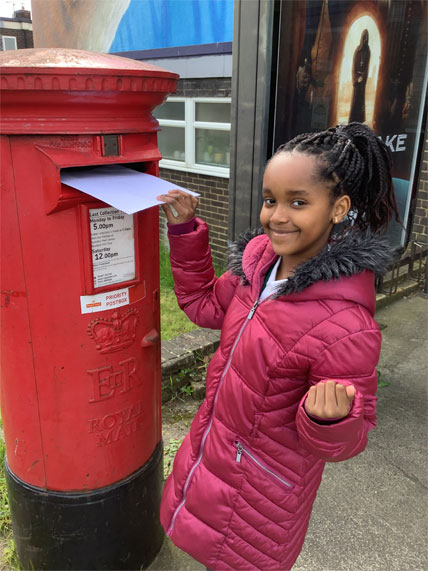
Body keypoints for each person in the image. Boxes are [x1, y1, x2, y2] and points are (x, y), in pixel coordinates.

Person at [157, 123, 400, 571]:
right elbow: (203, 304)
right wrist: (185, 229)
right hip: (209, 458)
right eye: (271, 200)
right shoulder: (257, 270)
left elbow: (349, 440)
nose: (277, 216)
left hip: (261, 501)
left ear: (338, 208)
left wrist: (330, 419)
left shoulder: (346, 325)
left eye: (299, 202)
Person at [349, 29, 371, 123]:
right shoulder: (357, 50)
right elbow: (353, 65)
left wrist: (363, 77)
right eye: (364, 37)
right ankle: (353, 119)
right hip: (357, 79)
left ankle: (360, 120)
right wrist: (357, 78)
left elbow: (367, 66)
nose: (365, 39)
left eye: (366, 37)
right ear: (362, 38)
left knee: (361, 100)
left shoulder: (368, 51)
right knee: (355, 100)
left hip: (362, 80)